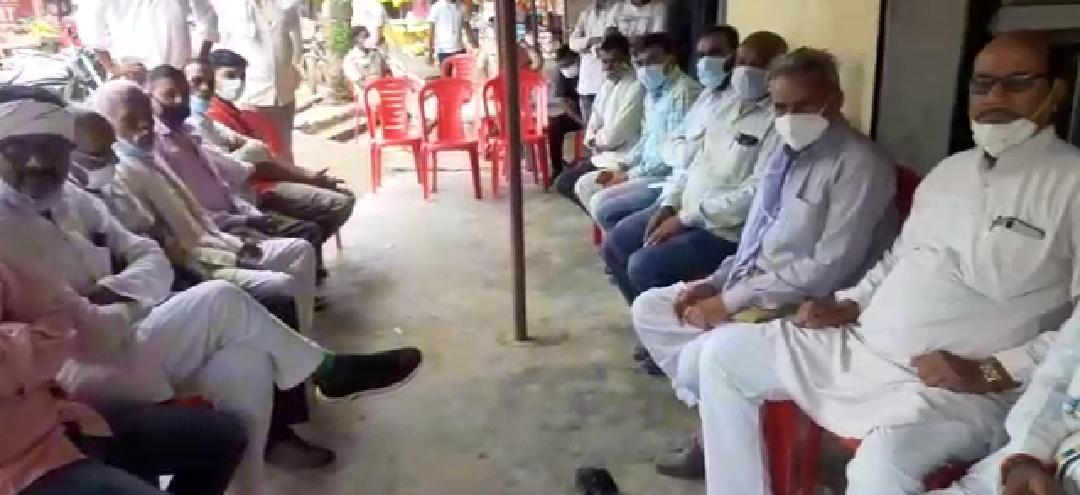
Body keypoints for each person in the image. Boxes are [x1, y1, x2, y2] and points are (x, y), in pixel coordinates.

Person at [0, 84, 424, 495]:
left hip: (131, 339)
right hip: (78, 382)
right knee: (221, 298)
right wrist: (133, 295)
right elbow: (92, 334)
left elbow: (150, 254)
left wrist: (114, 293)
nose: (38, 161)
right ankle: (327, 371)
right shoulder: (9, 230)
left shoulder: (72, 200)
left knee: (246, 364)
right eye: (19, 148)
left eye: (52, 147)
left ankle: (251, 484)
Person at [633, 48, 901, 484]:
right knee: (651, 308)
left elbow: (830, 268)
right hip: (756, 286)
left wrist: (731, 301)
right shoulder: (784, 154)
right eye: (781, 107)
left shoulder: (860, 165)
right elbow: (753, 240)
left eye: (804, 106)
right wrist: (716, 283)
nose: (790, 118)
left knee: (705, 358)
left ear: (834, 100)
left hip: (813, 305)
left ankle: (719, 440)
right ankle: (723, 420)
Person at [90, 79, 319, 335]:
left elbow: (200, 219)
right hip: (198, 268)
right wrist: (231, 253)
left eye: (147, 114)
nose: (144, 123)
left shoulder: (150, 156)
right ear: (107, 125)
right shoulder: (119, 176)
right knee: (281, 286)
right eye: (130, 119)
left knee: (300, 250)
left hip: (219, 242)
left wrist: (234, 243)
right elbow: (169, 248)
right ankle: (292, 346)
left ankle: (302, 337)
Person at [0, 260, 247, 495]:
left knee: (225, 433)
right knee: (222, 301)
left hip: (70, 423)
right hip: (24, 466)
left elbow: (77, 328)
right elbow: (62, 338)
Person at [600, 30, 785, 306]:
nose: (747, 71)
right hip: (685, 206)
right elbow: (692, 163)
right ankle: (648, 316)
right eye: (742, 62)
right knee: (616, 243)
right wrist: (669, 205)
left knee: (644, 265)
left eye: (758, 65)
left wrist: (686, 219)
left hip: (724, 229)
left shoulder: (778, 122)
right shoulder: (722, 104)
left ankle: (673, 323)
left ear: (777, 70)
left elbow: (756, 194)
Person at [185, 59, 357, 281]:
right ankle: (300, 270)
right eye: (229, 75)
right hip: (251, 192)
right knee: (320, 218)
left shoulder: (212, 118)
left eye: (208, 82)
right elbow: (244, 168)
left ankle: (305, 267)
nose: (205, 88)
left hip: (246, 192)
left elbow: (259, 151)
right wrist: (309, 177)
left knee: (335, 205)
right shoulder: (198, 125)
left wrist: (305, 175)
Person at [576, 32, 701, 231]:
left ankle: (621, 241)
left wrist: (628, 175)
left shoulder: (684, 93)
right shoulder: (652, 92)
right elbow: (647, 138)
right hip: (643, 169)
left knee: (601, 204)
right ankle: (616, 239)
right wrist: (624, 166)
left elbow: (671, 156)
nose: (645, 69)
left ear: (671, 59)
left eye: (653, 60)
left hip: (665, 178)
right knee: (584, 185)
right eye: (640, 63)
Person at [553, 31, 643, 209]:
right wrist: (593, 139)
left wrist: (597, 141)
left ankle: (607, 217)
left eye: (614, 61)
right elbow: (594, 119)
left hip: (623, 157)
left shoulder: (636, 87)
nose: (608, 67)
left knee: (568, 183)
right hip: (603, 154)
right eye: (604, 61)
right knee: (564, 182)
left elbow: (618, 132)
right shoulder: (607, 84)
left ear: (627, 58)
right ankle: (603, 217)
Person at [209, 0, 304, 164]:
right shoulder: (227, 5)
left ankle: (291, 175)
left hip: (283, 92)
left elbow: (295, 35)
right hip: (250, 95)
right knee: (258, 152)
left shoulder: (283, 4)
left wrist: (295, 66)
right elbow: (220, 44)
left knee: (283, 150)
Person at [75, 0, 218, 74]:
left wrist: (202, 57)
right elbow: (89, 28)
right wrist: (111, 67)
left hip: (180, 71)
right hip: (136, 73)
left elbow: (207, 15)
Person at [567, 0, 617, 123]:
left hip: (610, 83)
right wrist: (594, 40)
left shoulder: (619, 10)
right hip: (587, 85)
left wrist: (588, 48)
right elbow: (572, 43)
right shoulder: (587, 13)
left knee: (610, 128)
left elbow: (612, 44)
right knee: (589, 129)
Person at [547, 46, 585, 177]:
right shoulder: (560, 73)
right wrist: (578, 119)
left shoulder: (587, 69)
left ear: (577, 58)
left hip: (595, 112)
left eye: (569, 64)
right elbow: (563, 101)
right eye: (563, 66)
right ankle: (557, 168)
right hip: (577, 114)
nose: (566, 68)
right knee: (555, 125)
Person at [426, 0, 476, 66]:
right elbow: (431, 32)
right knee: (446, 72)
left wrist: (475, 46)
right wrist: (430, 54)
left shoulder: (462, 7)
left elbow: (468, 28)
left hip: (459, 49)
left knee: (461, 72)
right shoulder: (436, 7)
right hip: (443, 51)